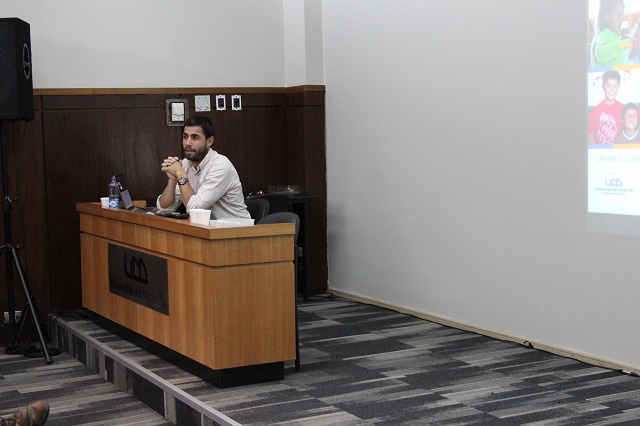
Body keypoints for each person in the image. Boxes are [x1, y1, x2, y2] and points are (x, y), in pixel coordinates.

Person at [157, 115, 251, 220]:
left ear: (209, 141)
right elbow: (164, 209)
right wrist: (173, 180)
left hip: (236, 228)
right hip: (207, 228)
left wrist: (180, 174)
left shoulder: (220, 166)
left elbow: (195, 209)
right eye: (185, 137)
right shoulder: (186, 164)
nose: (188, 143)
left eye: (195, 138)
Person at [591, 0, 640, 67]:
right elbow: (600, 54)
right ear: (608, 17)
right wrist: (625, 44)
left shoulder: (614, 36)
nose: (622, 18)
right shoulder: (603, 35)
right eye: (619, 15)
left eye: (622, 15)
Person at [588, 70, 623, 145]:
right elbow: (590, 136)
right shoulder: (595, 110)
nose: (611, 89)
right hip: (600, 151)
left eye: (615, 86)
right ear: (603, 87)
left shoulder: (623, 109)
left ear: (618, 88)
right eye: (608, 85)